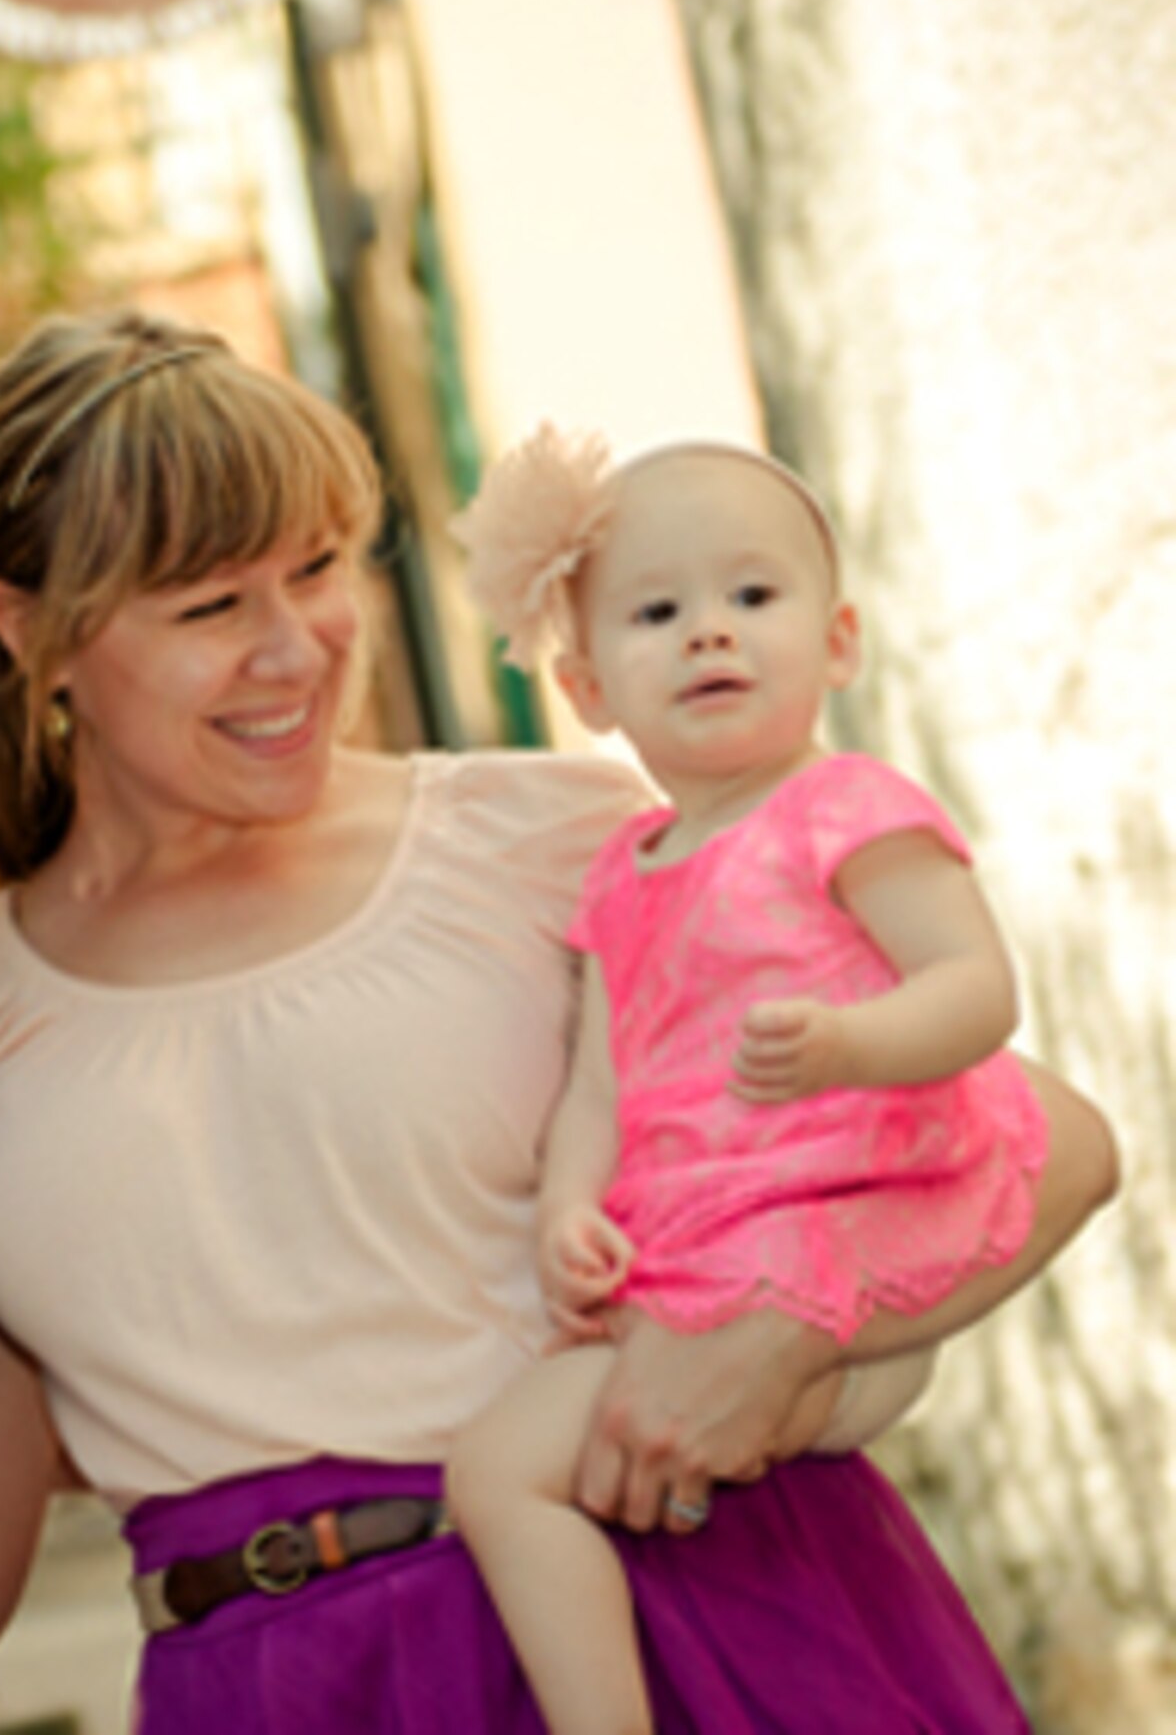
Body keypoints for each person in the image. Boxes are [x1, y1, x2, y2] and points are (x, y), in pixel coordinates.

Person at [0, 308, 1117, 1733]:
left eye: (316, 568)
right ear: (29, 633)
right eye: (207, 607)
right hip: (273, 1692)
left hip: (681, 1619)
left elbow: (1048, 1142)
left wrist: (783, 1341)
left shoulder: (554, 837)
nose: (295, 647)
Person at [441, 425, 1052, 1734]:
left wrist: (852, 1044)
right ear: (590, 686)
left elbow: (976, 986)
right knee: (497, 1470)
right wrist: (567, 1209)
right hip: (696, 1265)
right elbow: (601, 1084)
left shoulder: (846, 806)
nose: (709, 633)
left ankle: (816, 1402)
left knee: (514, 1467)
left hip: (845, 1219)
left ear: (837, 643)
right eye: (658, 612)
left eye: (752, 597)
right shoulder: (622, 871)